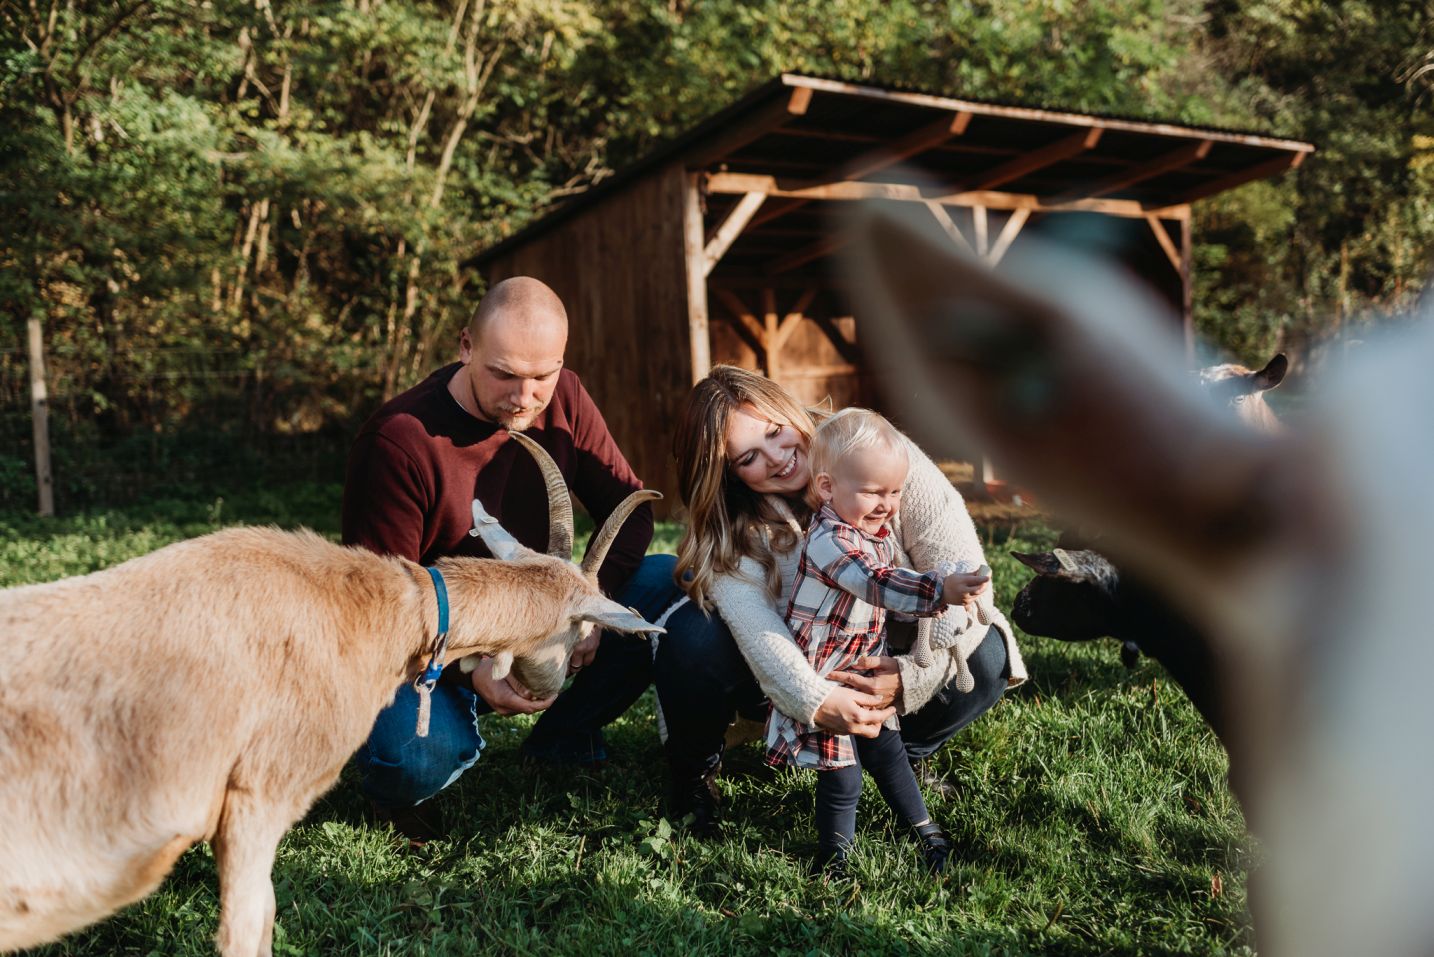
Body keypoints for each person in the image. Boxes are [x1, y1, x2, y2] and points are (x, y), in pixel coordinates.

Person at [342, 276, 681, 841]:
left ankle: (565, 734)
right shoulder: (398, 441)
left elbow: (631, 509)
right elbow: (380, 610)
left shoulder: (566, 397)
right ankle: (397, 788)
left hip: (552, 614)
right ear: (465, 347)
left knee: (668, 581)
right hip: (440, 647)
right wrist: (474, 674)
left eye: (542, 376)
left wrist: (592, 607)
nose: (525, 398)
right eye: (503, 374)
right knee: (413, 757)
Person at [655, 365, 1027, 837]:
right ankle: (694, 775)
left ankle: (902, 754)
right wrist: (817, 698)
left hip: (886, 657)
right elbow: (758, 631)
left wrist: (911, 675)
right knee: (691, 635)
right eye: (749, 457)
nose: (776, 458)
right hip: (793, 670)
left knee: (987, 650)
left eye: (775, 431)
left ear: (789, 409)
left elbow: (960, 566)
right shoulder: (732, 531)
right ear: (727, 476)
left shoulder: (875, 452)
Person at [766, 408, 990, 877]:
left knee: (889, 757)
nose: (887, 504)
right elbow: (876, 582)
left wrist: (944, 590)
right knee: (843, 777)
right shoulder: (828, 540)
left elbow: (896, 586)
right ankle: (835, 859)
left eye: (895, 492)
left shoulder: (876, 531)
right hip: (827, 678)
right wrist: (938, 590)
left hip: (863, 663)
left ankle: (925, 830)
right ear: (827, 488)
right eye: (873, 492)